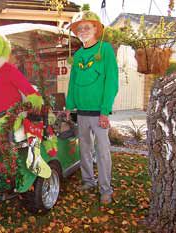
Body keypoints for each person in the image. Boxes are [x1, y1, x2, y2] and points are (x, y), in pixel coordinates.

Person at [65, 11, 119, 204]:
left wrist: (105, 110)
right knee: (84, 149)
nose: (83, 31)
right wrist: (70, 106)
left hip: (99, 113)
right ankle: (88, 181)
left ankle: (106, 189)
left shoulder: (105, 50)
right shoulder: (78, 54)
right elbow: (73, 82)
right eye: (80, 28)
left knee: (102, 151)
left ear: (96, 28)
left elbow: (111, 81)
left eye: (87, 27)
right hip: (81, 113)